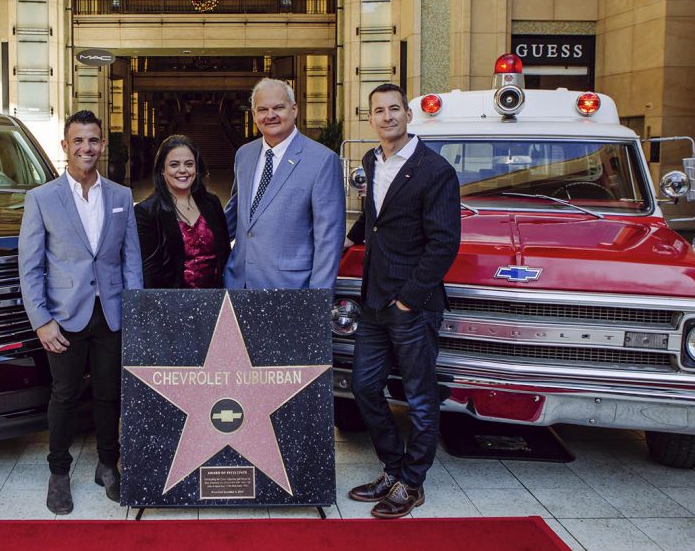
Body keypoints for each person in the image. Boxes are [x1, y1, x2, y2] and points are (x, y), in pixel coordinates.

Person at [18, 110, 144, 515]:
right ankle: (59, 472)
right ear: (65, 147)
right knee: (66, 394)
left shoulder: (122, 196)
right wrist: (41, 321)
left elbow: (132, 262)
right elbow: (30, 266)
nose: (86, 148)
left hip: (111, 314)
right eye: (78, 141)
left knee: (110, 394)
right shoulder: (41, 198)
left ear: (102, 145)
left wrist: (135, 312)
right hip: (62, 318)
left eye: (93, 140)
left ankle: (108, 465)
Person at [344, 83, 461, 518]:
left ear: (408, 116)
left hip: (412, 303)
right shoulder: (372, 161)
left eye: (395, 109)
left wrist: (409, 300)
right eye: (379, 110)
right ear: (370, 118)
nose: (387, 116)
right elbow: (376, 218)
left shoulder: (435, 170)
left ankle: (412, 482)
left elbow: (445, 242)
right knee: (363, 386)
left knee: (419, 395)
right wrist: (347, 239)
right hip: (373, 300)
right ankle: (392, 469)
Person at [223, 78, 345, 290]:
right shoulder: (244, 155)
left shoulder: (322, 160)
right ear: (253, 115)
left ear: (294, 109)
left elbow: (329, 239)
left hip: (291, 288)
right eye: (262, 109)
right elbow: (235, 216)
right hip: (238, 283)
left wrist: (317, 300)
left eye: (278, 107)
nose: (270, 115)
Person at [135, 135, 230, 288]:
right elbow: (150, 275)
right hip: (172, 305)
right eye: (174, 164)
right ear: (162, 170)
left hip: (216, 301)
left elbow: (225, 254)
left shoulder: (211, 203)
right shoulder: (146, 212)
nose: (183, 170)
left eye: (189, 164)